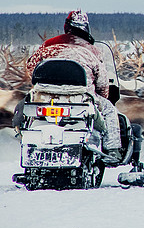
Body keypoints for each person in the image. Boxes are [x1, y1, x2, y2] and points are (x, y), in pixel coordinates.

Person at [26, 10, 122, 161]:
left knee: (27, 109)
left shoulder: (48, 45)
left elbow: (31, 68)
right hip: (80, 98)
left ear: (66, 26)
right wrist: (103, 96)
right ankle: (113, 150)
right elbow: (102, 82)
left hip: (45, 97)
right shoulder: (92, 50)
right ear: (85, 28)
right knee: (109, 110)